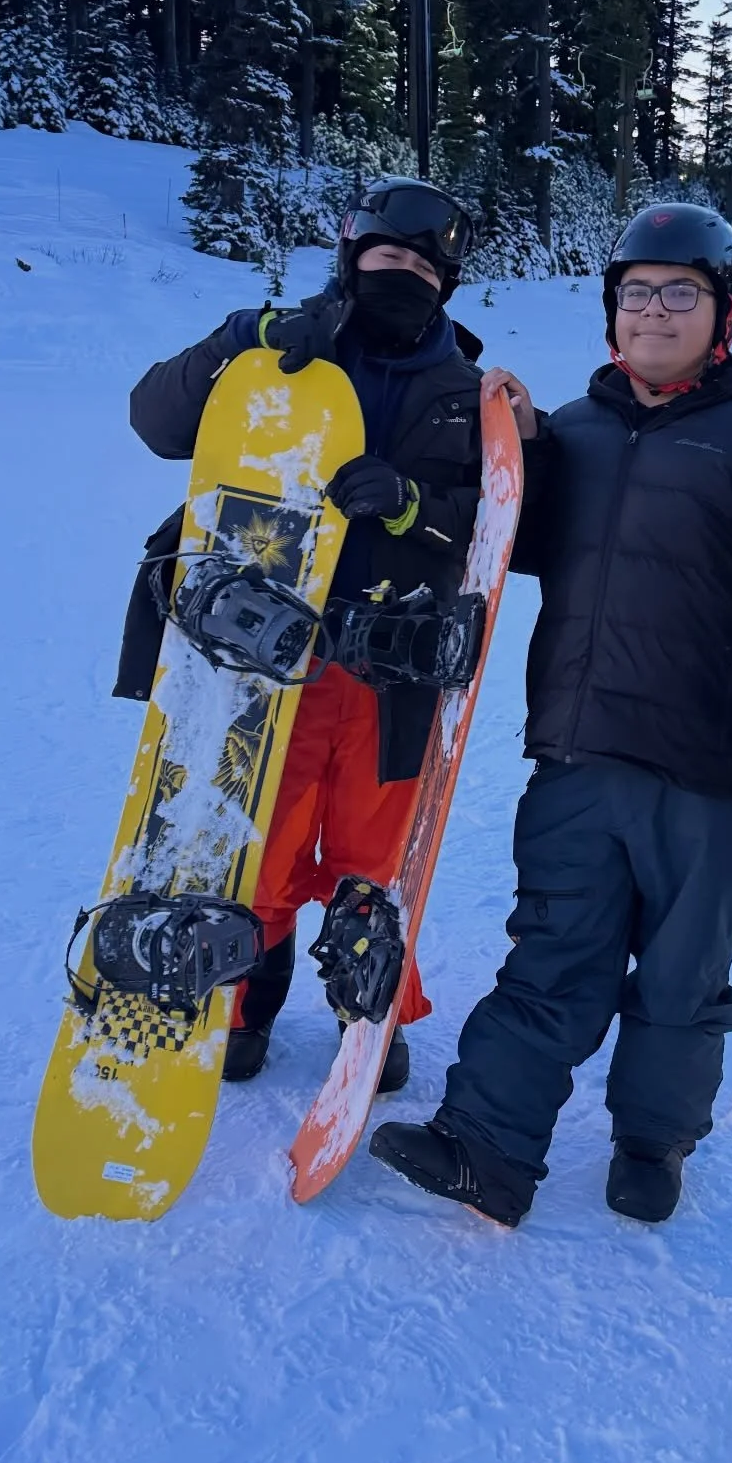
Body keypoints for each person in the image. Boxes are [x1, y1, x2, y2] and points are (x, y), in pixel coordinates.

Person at [370, 203, 732, 1226]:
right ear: (611, 311)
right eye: (637, 293)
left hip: (713, 770)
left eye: (682, 293)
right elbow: (520, 538)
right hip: (580, 753)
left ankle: (655, 1138)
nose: (655, 312)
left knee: (682, 979)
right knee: (552, 950)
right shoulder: (580, 431)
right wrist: (519, 438)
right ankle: (487, 1146)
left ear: (723, 313)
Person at [115, 176, 485, 1092]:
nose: (401, 275)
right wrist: (241, 339)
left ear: (447, 280)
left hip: (390, 673)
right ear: (351, 258)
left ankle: (375, 1004)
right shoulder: (284, 354)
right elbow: (156, 422)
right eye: (384, 257)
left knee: (374, 852)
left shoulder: (467, 393)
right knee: (255, 839)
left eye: (421, 265)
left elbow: (504, 526)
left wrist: (412, 510)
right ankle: (241, 998)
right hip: (262, 661)